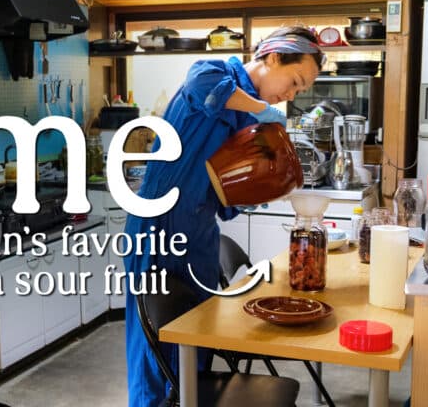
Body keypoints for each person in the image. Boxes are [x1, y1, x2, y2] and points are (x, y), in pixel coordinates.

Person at [123, 26, 324, 407]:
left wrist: (264, 183)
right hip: (157, 228)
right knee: (155, 351)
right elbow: (203, 86)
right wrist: (263, 110)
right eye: (294, 82)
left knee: (198, 341)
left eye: (299, 92)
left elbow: (227, 195)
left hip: (199, 235)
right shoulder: (216, 72)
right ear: (275, 57)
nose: (291, 95)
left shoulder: (247, 125)